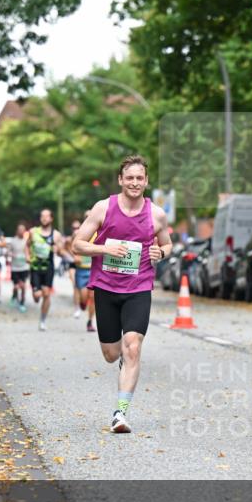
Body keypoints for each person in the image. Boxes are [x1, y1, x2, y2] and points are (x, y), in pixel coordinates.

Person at [72, 154, 172, 434]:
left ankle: (120, 413)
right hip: (106, 288)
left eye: (139, 178)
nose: (134, 183)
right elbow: (77, 245)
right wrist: (104, 249)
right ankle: (122, 361)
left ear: (146, 181)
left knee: (133, 347)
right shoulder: (103, 208)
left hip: (138, 288)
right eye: (130, 178)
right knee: (110, 353)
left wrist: (161, 253)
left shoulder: (156, 214)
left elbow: (167, 244)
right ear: (120, 180)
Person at [26, 208, 63, 332]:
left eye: (47, 216)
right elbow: (27, 245)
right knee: (37, 296)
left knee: (46, 294)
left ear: (51, 219)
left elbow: (60, 251)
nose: (44, 218)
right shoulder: (33, 232)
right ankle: (36, 292)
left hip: (48, 267)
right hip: (35, 267)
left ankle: (42, 320)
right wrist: (27, 256)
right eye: (42, 216)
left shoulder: (56, 234)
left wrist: (57, 249)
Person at [73, 213, 95, 331]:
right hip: (81, 270)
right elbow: (70, 246)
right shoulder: (78, 233)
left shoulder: (99, 232)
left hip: (94, 270)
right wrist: (74, 256)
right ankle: (82, 303)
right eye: (86, 216)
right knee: (84, 297)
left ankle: (90, 321)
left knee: (93, 297)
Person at [7, 223, 30, 312]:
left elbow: (30, 252)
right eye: (19, 229)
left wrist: (29, 257)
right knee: (16, 286)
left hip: (24, 267)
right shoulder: (13, 241)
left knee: (23, 286)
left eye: (23, 230)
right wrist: (11, 255)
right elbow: (8, 252)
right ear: (17, 231)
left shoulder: (26, 241)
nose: (21, 231)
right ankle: (14, 296)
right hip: (15, 268)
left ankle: (22, 303)